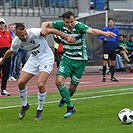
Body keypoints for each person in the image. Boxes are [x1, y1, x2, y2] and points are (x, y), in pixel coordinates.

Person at [41, 11, 117, 118]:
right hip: (67, 58)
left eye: (72, 21)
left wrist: (104, 33)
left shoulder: (80, 26)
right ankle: (71, 107)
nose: (70, 24)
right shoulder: (60, 25)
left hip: (80, 61)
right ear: (64, 21)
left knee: (72, 89)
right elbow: (45, 23)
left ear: (74, 20)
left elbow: (92, 31)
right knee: (58, 82)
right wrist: (44, 29)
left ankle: (65, 98)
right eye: (67, 22)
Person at [0, 23, 75, 120]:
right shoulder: (16, 42)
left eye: (25, 33)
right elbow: (10, 51)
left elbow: (51, 30)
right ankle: (25, 105)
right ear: (17, 35)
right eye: (22, 35)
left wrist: (66, 37)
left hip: (46, 58)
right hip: (34, 59)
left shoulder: (34, 32)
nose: (25, 36)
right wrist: (2, 60)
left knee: (40, 84)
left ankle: (39, 109)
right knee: (21, 82)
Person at [98, 18, 119, 82]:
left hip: (113, 48)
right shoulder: (105, 29)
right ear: (108, 23)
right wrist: (104, 38)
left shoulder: (116, 30)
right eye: (110, 22)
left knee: (113, 62)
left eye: (112, 22)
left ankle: (112, 77)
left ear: (113, 23)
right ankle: (104, 77)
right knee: (105, 62)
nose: (111, 23)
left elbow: (117, 38)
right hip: (106, 48)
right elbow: (99, 35)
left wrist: (115, 44)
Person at [0, 18, 12, 96]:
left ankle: (3, 89)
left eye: (2, 23)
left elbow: (11, 44)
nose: (1, 24)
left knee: (6, 72)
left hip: (7, 54)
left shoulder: (8, 33)